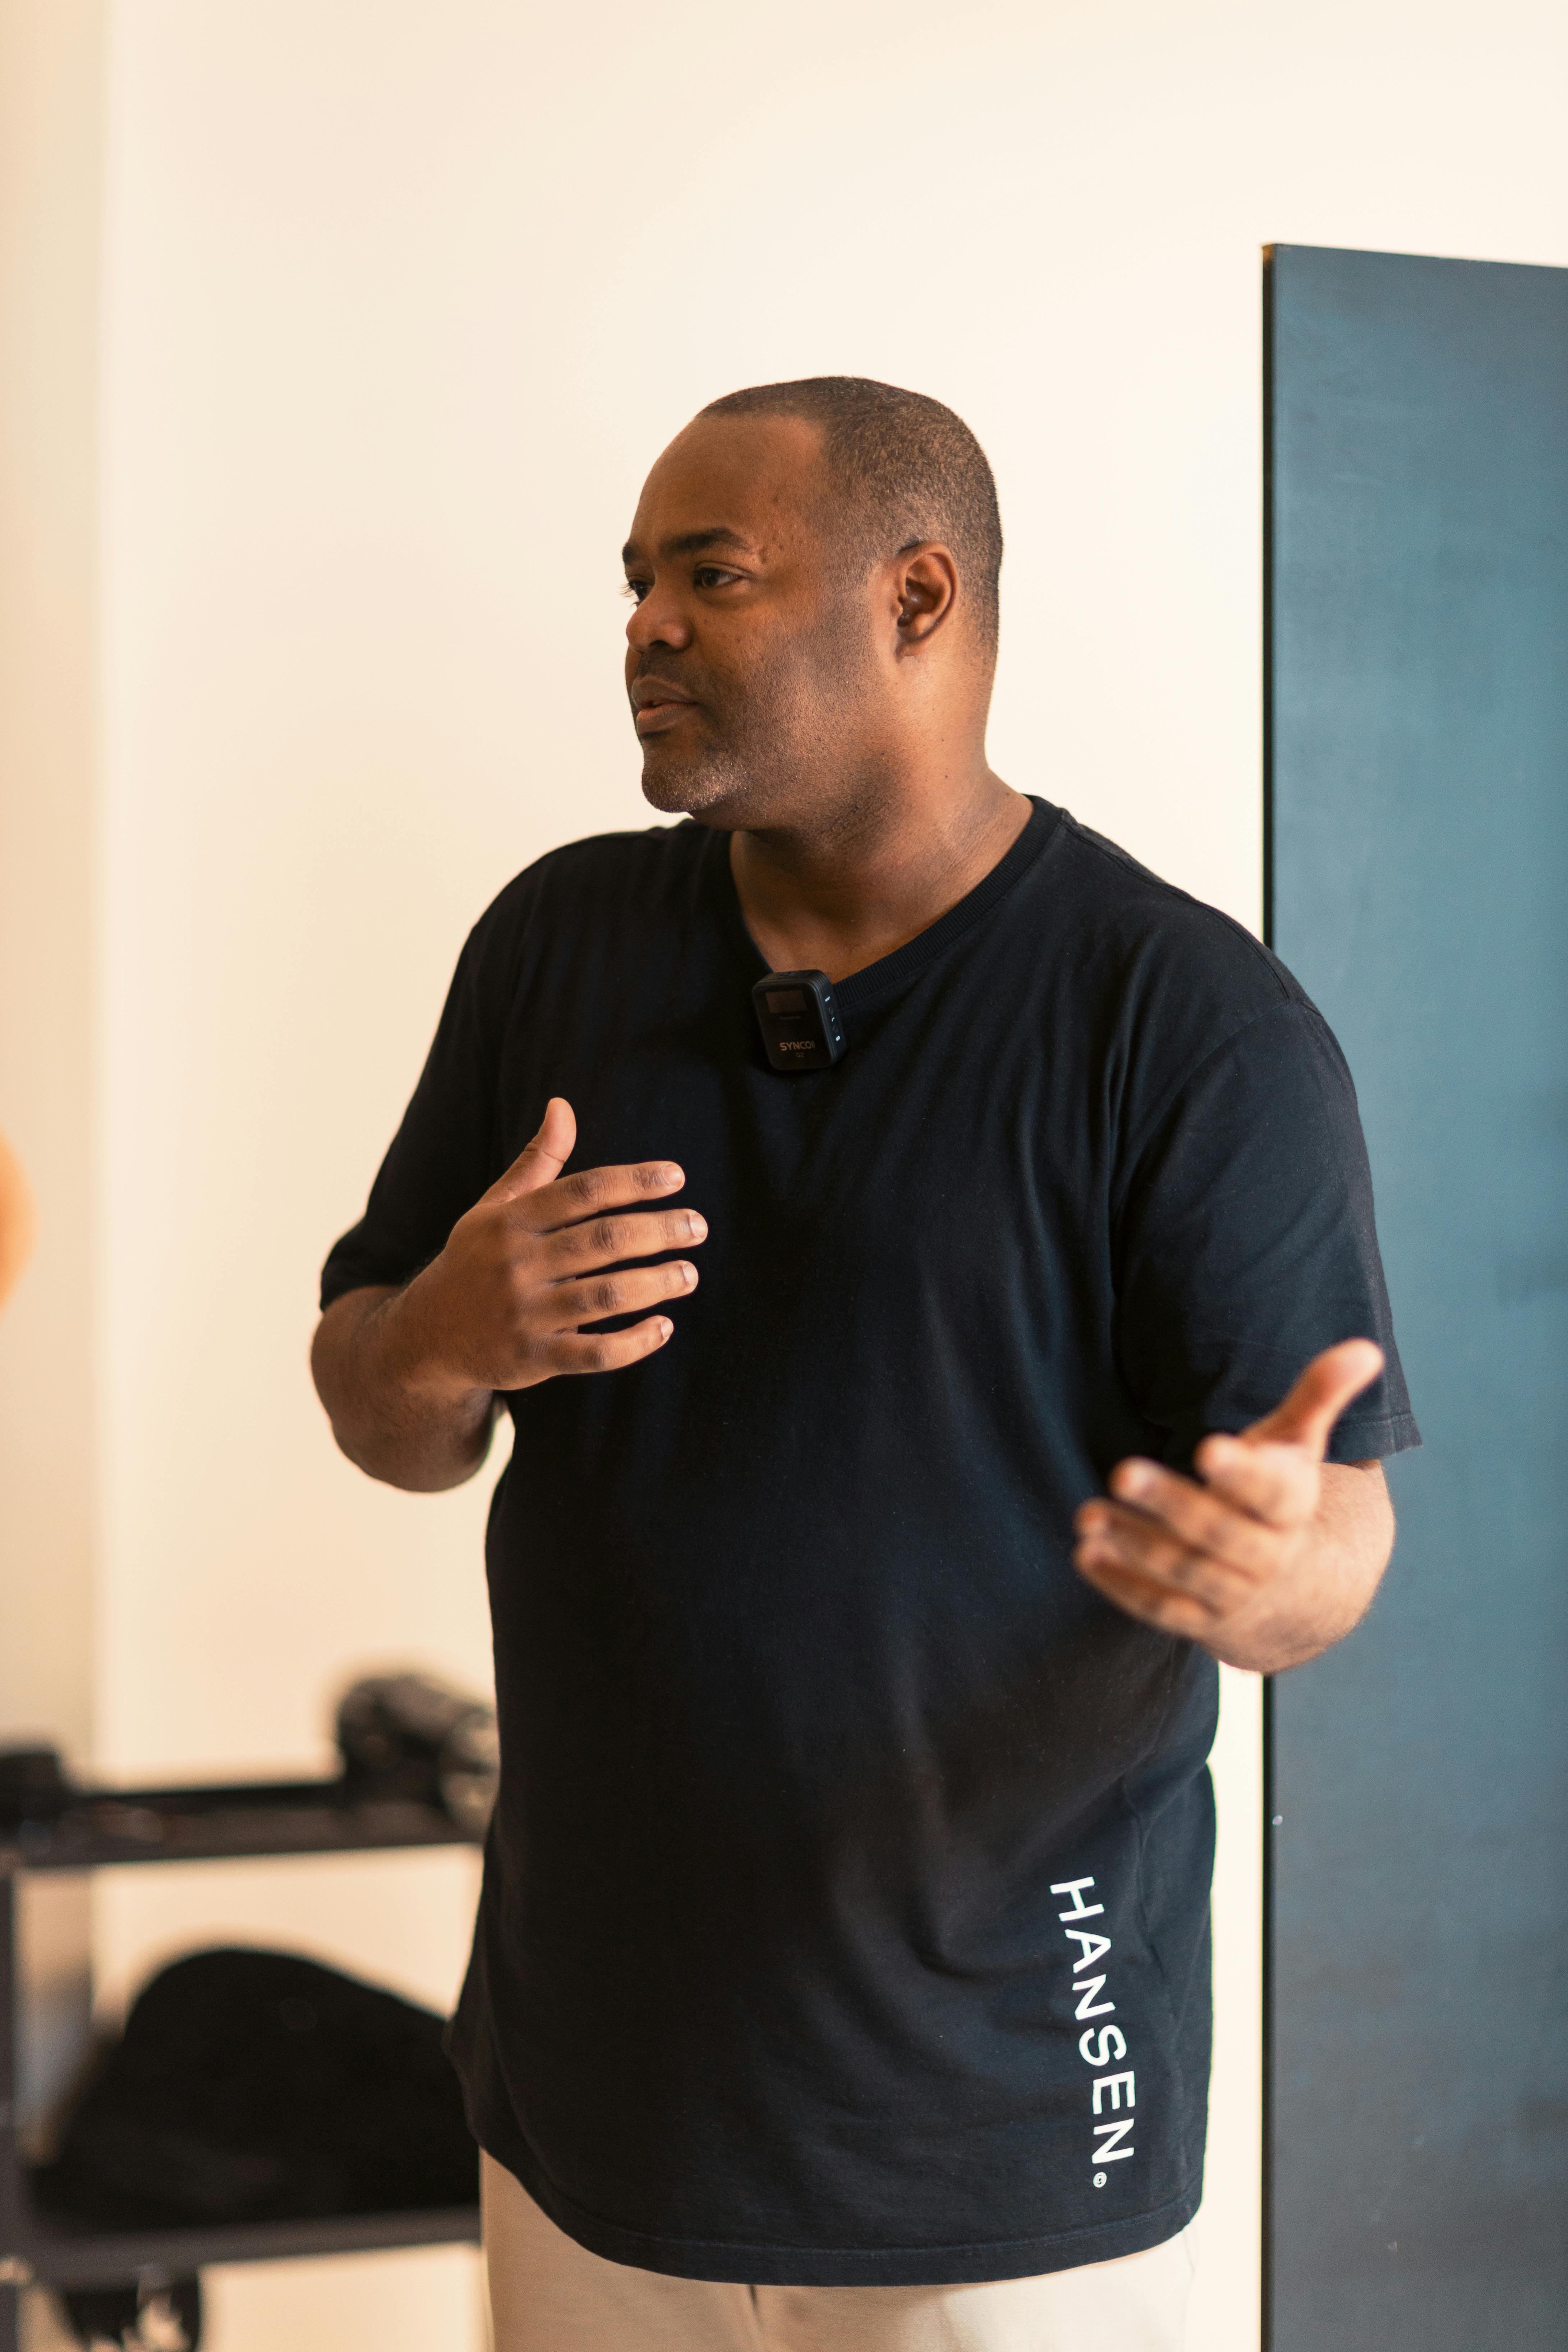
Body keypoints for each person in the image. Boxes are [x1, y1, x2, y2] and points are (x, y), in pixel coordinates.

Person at [312, 378, 1417, 2351]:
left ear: (919, 599)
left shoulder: (1183, 1025)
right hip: (594, 2103)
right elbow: (378, 1408)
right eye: (635, 581)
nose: (645, 624)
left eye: (710, 575)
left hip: (997, 2141)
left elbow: (1334, 1532)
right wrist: (446, 1332)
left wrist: (1276, 1571)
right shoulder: (556, 946)